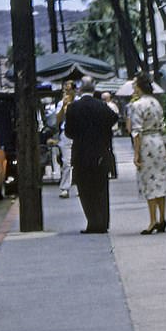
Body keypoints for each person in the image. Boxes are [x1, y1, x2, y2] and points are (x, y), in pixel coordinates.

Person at [64, 76, 118, 234]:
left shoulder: (73, 107)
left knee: (85, 189)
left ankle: (92, 221)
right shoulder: (102, 106)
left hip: (81, 152)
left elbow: (68, 132)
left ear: (80, 89)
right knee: (101, 188)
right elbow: (114, 118)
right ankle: (102, 222)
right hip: (100, 152)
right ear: (94, 89)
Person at [128, 71, 166, 235]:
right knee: (160, 180)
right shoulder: (156, 102)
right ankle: (162, 218)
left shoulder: (137, 105)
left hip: (146, 143)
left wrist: (136, 154)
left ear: (139, 87)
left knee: (149, 181)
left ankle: (152, 220)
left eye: (134, 84)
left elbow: (135, 131)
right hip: (158, 142)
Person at [53, 80, 76, 198]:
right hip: (66, 134)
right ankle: (65, 187)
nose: (66, 92)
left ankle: (80, 186)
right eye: (64, 90)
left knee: (79, 161)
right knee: (67, 162)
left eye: (68, 89)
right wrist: (63, 107)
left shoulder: (79, 102)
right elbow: (57, 120)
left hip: (78, 133)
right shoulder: (61, 103)